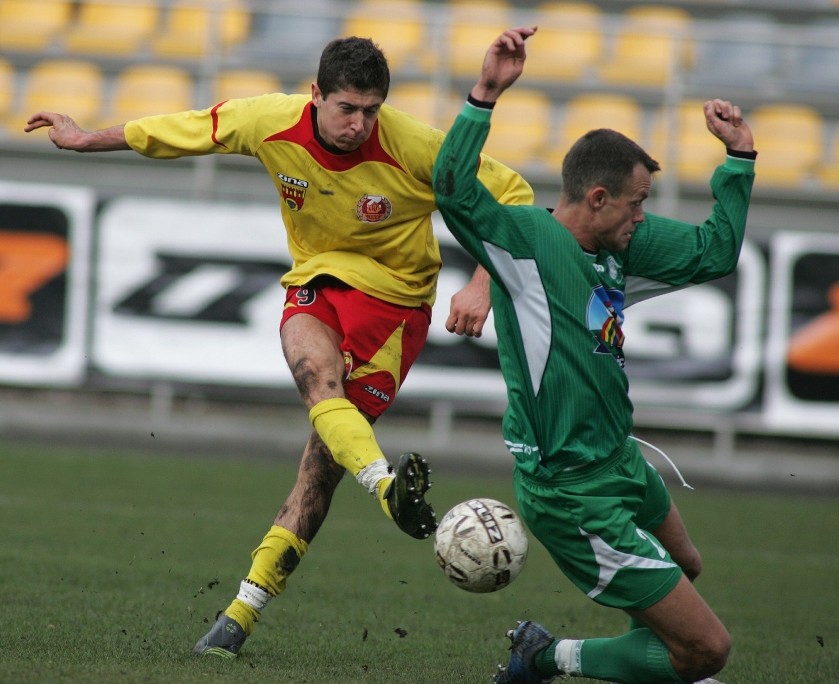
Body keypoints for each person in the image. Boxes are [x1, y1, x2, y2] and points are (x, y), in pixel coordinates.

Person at [25, 36, 533, 658]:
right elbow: (181, 129)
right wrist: (84, 138)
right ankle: (385, 488)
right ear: (315, 94)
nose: (360, 124)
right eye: (347, 108)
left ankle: (244, 609)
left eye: (372, 110)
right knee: (313, 372)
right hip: (318, 282)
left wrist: (481, 284)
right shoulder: (271, 121)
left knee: (319, 470)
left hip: (396, 309)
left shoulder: (412, 145)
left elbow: (511, 194)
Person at [433, 27, 756, 684]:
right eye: (637, 203)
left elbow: (714, 254)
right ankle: (548, 656)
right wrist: (485, 95)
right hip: (569, 487)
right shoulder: (526, 244)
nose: (644, 216)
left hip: (619, 459)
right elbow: (451, 188)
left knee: (685, 567)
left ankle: (631, 660)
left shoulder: (621, 249)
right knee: (708, 653)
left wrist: (740, 159)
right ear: (599, 199)